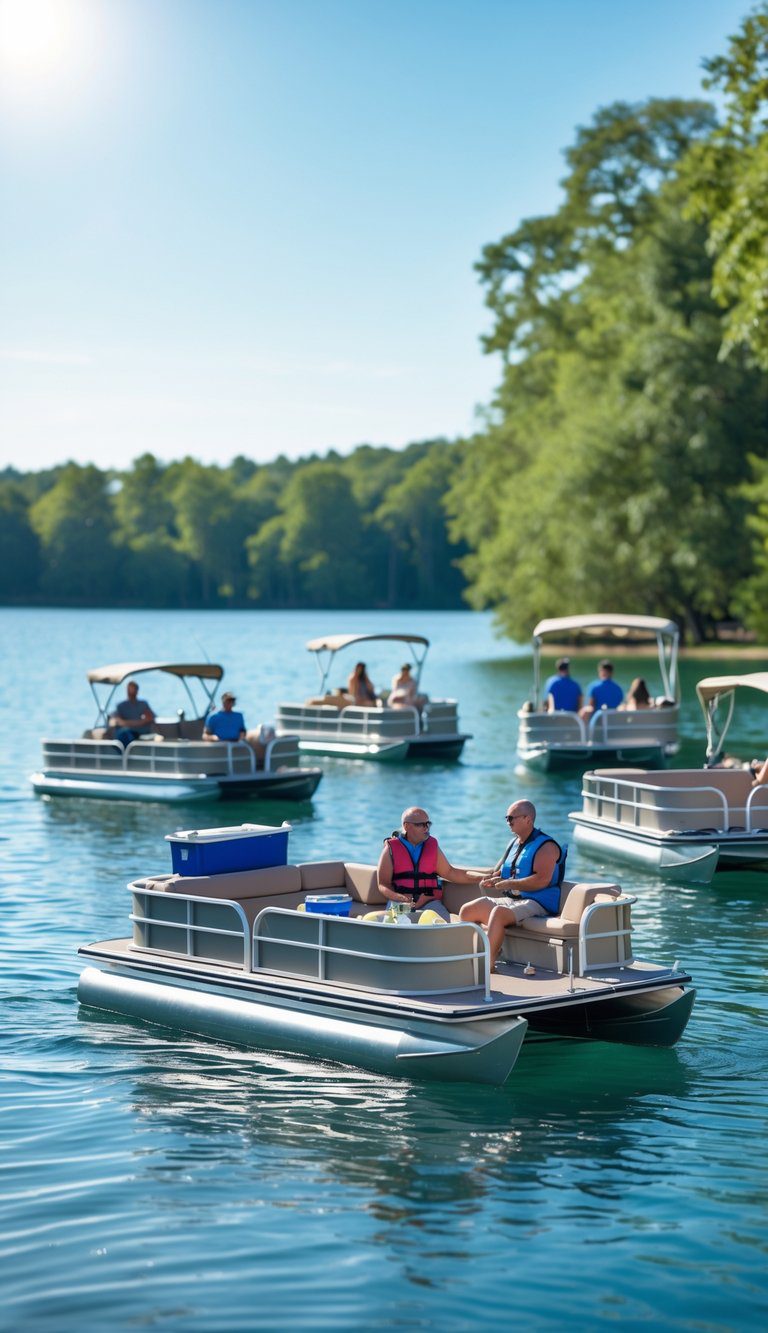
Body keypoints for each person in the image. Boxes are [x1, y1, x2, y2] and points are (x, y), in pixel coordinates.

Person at [459, 800, 564, 970]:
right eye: (506, 818)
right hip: (513, 900)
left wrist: (508, 883)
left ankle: (488, 965)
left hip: (538, 903)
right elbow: (505, 871)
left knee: (498, 913)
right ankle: (481, 951)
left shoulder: (547, 846)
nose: (508, 822)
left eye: (511, 818)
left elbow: (542, 880)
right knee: (468, 910)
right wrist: (495, 879)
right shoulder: (513, 843)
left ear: (528, 819)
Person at [377, 807, 489, 923]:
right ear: (406, 826)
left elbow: (451, 872)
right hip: (400, 904)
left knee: (445, 927)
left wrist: (483, 877)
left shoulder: (432, 846)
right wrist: (400, 898)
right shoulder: (391, 848)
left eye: (428, 824)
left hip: (429, 903)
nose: (426, 828)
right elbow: (383, 884)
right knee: (396, 925)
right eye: (421, 825)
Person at [110, 679, 156, 748]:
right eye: (129, 690)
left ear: (137, 691)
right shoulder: (121, 706)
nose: (131, 693)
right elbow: (117, 721)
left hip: (140, 732)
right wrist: (140, 722)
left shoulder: (143, 704)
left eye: (133, 690)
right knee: (125, 734)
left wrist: (127, 723)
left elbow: (151, 718)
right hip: (126, 733)